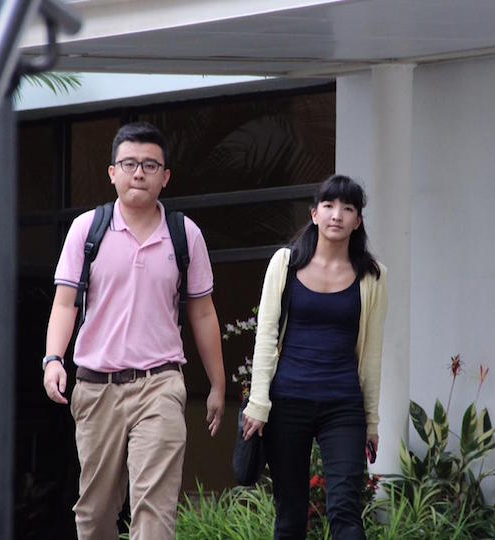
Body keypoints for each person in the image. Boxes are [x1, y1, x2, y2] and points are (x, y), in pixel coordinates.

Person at [42, 122, 226, 540]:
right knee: (95, 516)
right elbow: (65, 303)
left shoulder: (185, 235)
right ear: (112, 173)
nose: (139, 173)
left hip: (160, 384)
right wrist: (53, 359)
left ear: (165, 176)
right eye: (129, 164)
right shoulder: (87, 229)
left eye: (149, 165)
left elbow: (202, 313)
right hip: (96, 387)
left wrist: (218, 384)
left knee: (154, 510)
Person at [242, 175, 387, 539]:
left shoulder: (373, 276)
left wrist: (371, 420)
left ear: (358, 221)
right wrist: (258, 404)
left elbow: (372, 354)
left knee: (346, 511)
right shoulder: (285, 263)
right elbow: (266, 335)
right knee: (290, 515)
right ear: (314, 214)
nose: (337, 215)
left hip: (343, 405)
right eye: (329, 205)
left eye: (347, 208)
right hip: (288, 402)